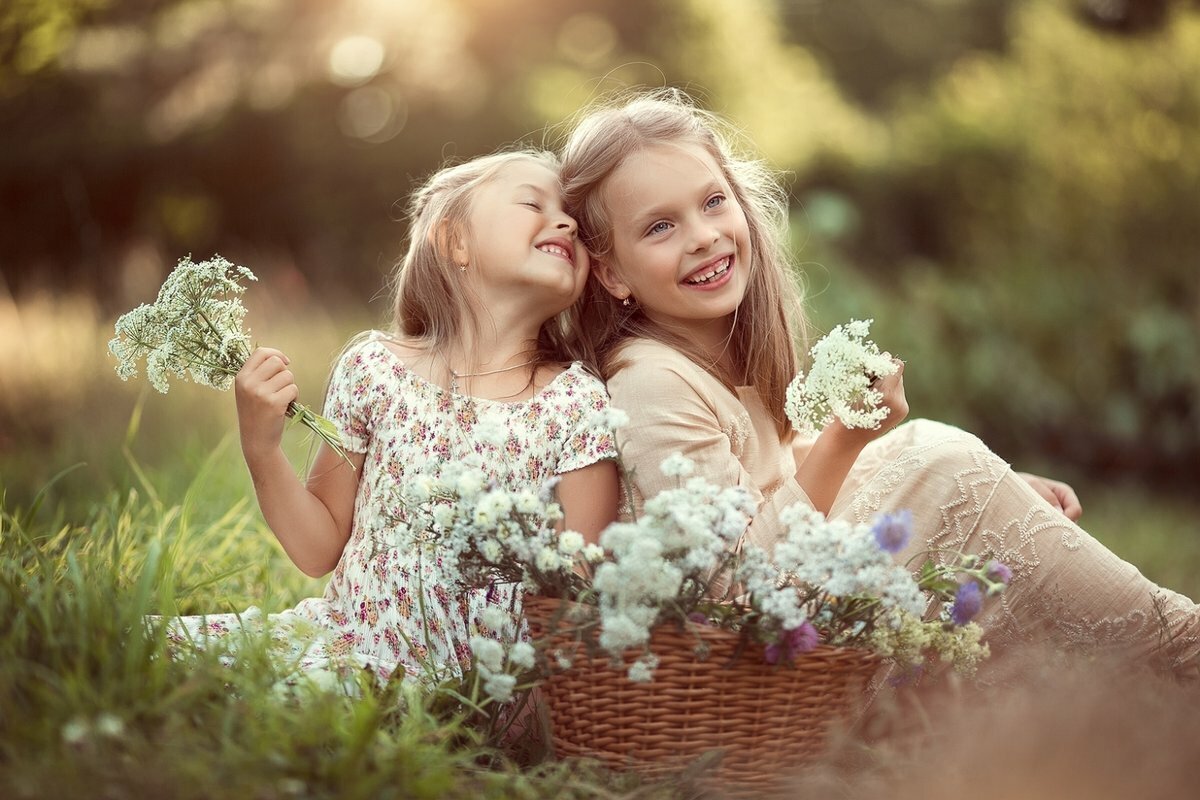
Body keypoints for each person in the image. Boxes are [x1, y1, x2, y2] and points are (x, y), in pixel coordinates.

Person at [558, 89, 1199, 673]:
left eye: (712, 202)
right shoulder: (650, 383)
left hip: (809, 611)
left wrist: (990, 501)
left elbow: (779, 471)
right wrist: (853, 442)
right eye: (660, 226)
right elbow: (733, 588)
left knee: (936, 464)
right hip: (760, 664)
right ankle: (1180, 647)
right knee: (937, 460)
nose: (703, 236)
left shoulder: (715, 357)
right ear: (612, 273)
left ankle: (1158, 657)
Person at [166, 149, 620, 686]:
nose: (567, 221)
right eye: (532, 202)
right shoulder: (375, 370)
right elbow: (319, 549)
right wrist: (261, 448)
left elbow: (577, 592)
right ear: (455, 241)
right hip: (346, 640)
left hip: (471, 686)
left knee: (291, 700)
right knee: (140, 644)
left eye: (572, 215)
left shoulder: (576, 402)